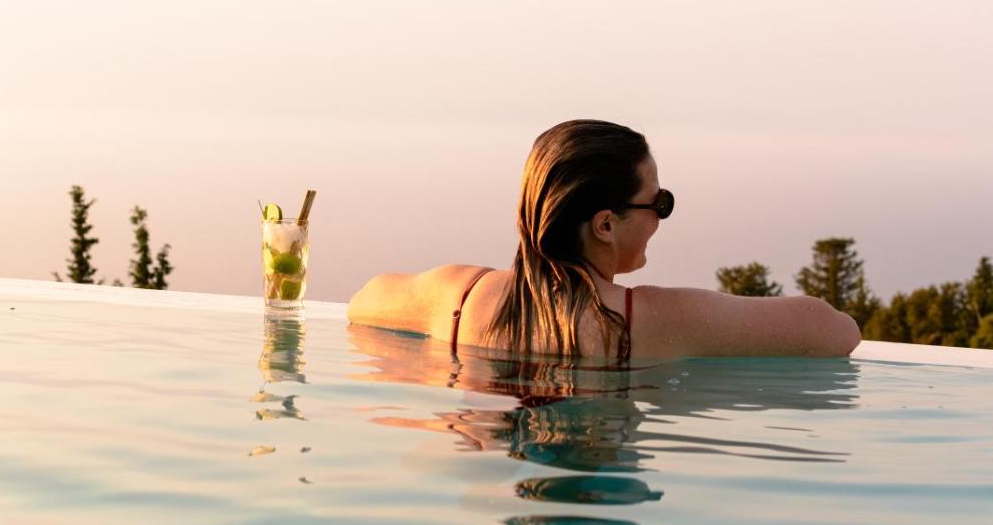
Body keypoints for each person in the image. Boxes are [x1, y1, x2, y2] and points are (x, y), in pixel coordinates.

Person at [347, 119, 860, 367]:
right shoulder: (646, 321)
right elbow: (835, 331)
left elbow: (363, 301)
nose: (660, 218)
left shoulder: (457, 296)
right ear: (605, 225)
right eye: (658, 203)